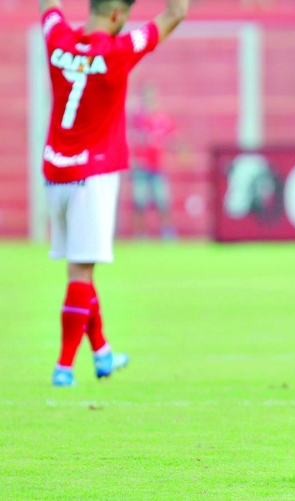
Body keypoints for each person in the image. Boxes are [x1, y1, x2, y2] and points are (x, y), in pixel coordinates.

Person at [40, 0, 189, 386]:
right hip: (93, 174)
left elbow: (49, 7)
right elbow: (175, 13)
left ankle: (103, 352)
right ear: (118, 15)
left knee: (80, 269)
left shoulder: (57, 38)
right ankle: (64, 367)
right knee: (80, 271)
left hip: (55, 173)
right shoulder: (119, 50)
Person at [129, 82, 178, 240]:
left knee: (163, 201)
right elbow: (131, 136)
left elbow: (171, 138)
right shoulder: (137, 118)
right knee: (140, 203)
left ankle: (167, 233)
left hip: (157, 166)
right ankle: (140, 235)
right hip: (141, 166)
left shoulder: (162, 118)